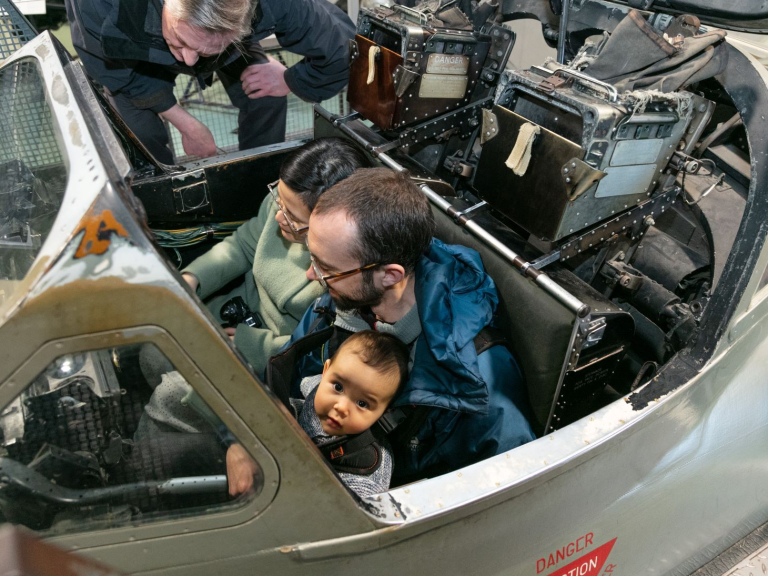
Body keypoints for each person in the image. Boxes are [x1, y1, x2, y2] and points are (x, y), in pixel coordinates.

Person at [228, 167, 536, 492]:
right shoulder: (347, 297)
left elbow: (509, 493)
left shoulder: (478, 385)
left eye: (326, 268)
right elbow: (287, 383)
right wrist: (245, 436)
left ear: (389, 276)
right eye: (314, 259)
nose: (311, 275)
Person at [65, 0, 355, 163]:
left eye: (203, 51)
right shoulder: (98, 3)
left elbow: (341, 47)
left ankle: (257, 184)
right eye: (181, 42)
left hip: (229, 44)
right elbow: (105, 63)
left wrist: (290, 80)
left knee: (265, 95)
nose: (189, 61)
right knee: (139, 137)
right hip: (130, 53)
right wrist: (185, 123)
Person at [179, 138, 369, 376]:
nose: (279, 217)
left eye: (293, 218)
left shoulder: (346, 269)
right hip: (236, 308)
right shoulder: (290, 203)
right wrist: (192, 279)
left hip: (277, 351)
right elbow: (243, 245)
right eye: (279, 202)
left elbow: (323, 344)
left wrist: (256, 347)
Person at [290, 330, 409, 497]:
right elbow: (307, 386)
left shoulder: (368, 467)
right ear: (325, 371)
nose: (341, 407)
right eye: (338, 387)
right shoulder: (319, 387)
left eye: (362, 404)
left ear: (384, 412)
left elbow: (354, 506)